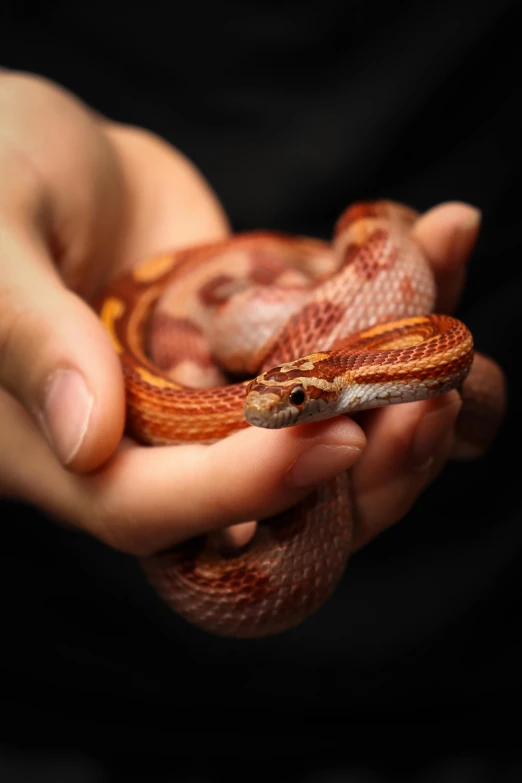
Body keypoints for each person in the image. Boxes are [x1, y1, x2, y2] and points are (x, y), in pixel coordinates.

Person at [0, 1, 518, 780]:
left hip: (473, 670)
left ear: (332, 386)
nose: (263, 407)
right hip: (78, 681)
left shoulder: (399, 357)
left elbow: (434, 352)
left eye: (294, 401)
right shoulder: (313, 368)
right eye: (278, 391)